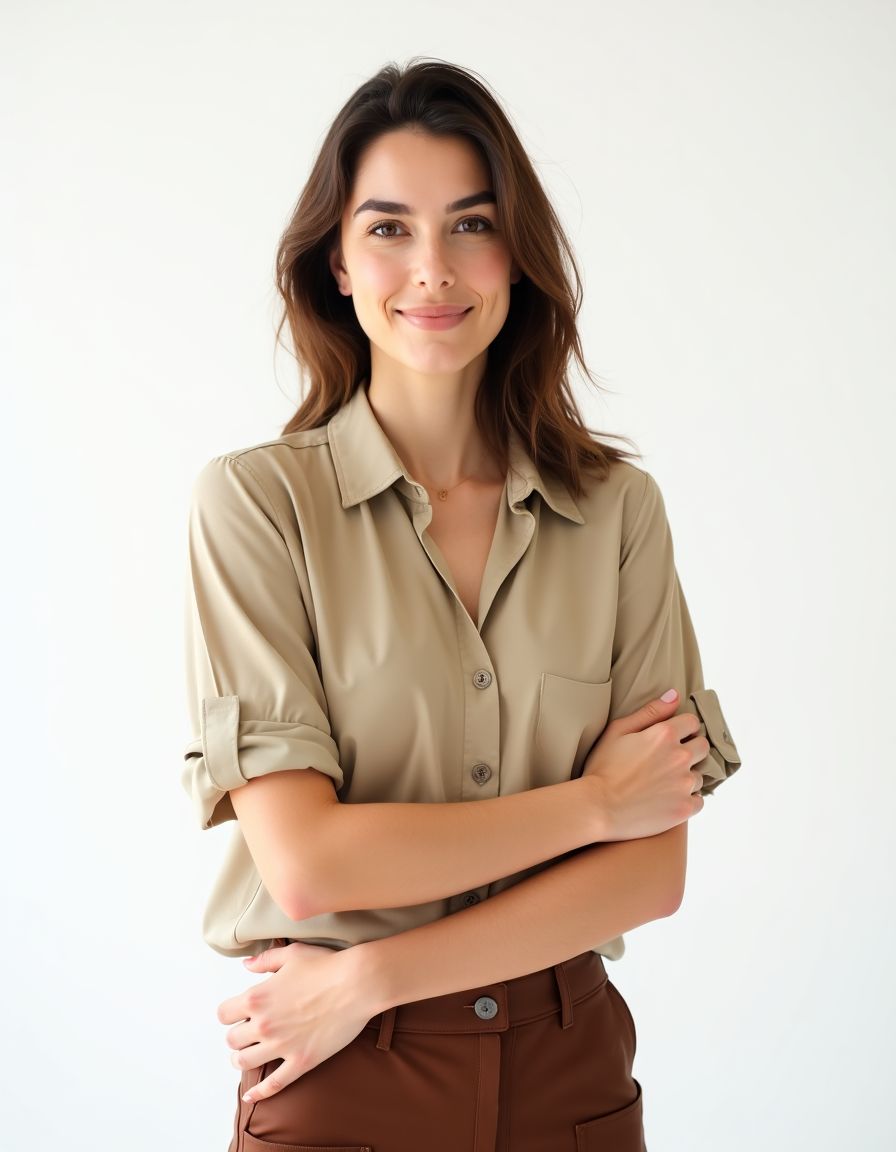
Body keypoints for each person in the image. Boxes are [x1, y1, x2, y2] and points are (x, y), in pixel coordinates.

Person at [181, 57, 742, 1152]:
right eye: (388, 228)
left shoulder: (617, 513)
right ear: (334, 263)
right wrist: (589, 806)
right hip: (338, 1082)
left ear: (516, 256)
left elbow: (652, 868)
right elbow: (308, 866)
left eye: (470, 224)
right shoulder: (258, 507)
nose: (431, 268)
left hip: (568, 1071)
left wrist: (372, 975)